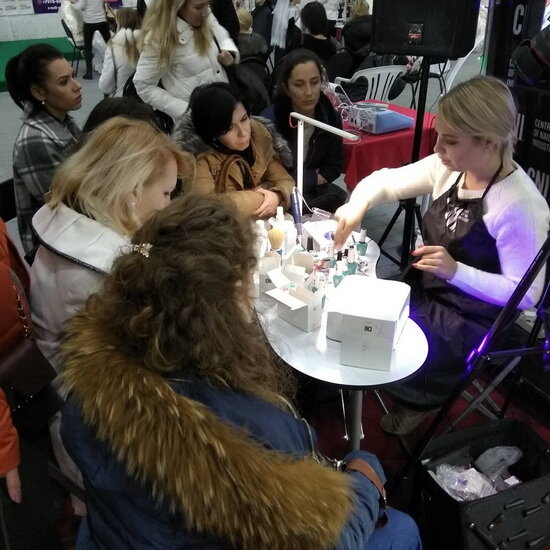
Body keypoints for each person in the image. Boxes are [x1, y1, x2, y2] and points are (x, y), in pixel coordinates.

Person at [59, 192, 422, 549]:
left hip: (114, 536)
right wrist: (365, 473)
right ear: (234, 293)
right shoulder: (246, 440)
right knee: (402, 530)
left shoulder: (90, 375)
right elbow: (328, 539)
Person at [334, 76, 550, 435]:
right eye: (439, 136)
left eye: (450, 140)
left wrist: (456, 271)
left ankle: (418, 399)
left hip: (469, 318)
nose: (437, 148)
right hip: (428, 286)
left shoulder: (519, 205)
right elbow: (385, 182)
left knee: (385, 336)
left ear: (487, 141)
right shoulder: (449, 168)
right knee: (361, 313)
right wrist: (357, 204)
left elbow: (526, 295)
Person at [30, 116, 192, 518]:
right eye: (166, 193)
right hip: (99, 426)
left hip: (84, 397)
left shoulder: (72, 224)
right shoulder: (101, 273)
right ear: (133, 192)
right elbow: (155, 357)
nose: (168, 205)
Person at [174, 82, 294, 218]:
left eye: (244, 119)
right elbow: (206, 209)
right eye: (229, 128)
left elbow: (287, 183)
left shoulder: (259, 138)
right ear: (212, 132)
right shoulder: (197, 158)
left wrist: (277, 196)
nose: (243, 133)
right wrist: (264, 197)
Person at [6, 44, 82, 257]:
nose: (77, 86)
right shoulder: (35, 140)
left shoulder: (64, 122)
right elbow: (68, 207)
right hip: (55, 247)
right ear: (39, 92)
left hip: (77, 229)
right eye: (64, 82)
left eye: (73, 76)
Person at [262, 48, 347, 213]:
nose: (309, 92)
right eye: (299, 85)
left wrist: (306, 179)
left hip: (312, 196)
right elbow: (267, 175)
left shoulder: (330, 117)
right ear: (286, 87)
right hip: (278, 197)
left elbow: (334, 167)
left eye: (314, 82)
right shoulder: (269, 123)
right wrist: (313, 177)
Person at [133, 0, 239, 123]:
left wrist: (229, 52)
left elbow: (223, 36)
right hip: (197, 124)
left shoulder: (206, 15)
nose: (206, 12)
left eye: (207, 4)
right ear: (177, 6)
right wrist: (187, 110)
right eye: (198, 7)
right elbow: (143, 85)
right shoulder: (158, 39)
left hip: (226, 108)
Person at [99, 7, 141, 97]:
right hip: (146, 100)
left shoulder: (113, 48)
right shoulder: (150, 45)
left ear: (119, 24)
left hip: (121, 100)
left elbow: (105, 86)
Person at [70, 0, 111, 79]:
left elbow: (80, 7)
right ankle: (115, 66)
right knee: (110, 45)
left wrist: (74, 3)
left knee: (88, 47)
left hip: (89, 22)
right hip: (102, 21)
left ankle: (89, 73)